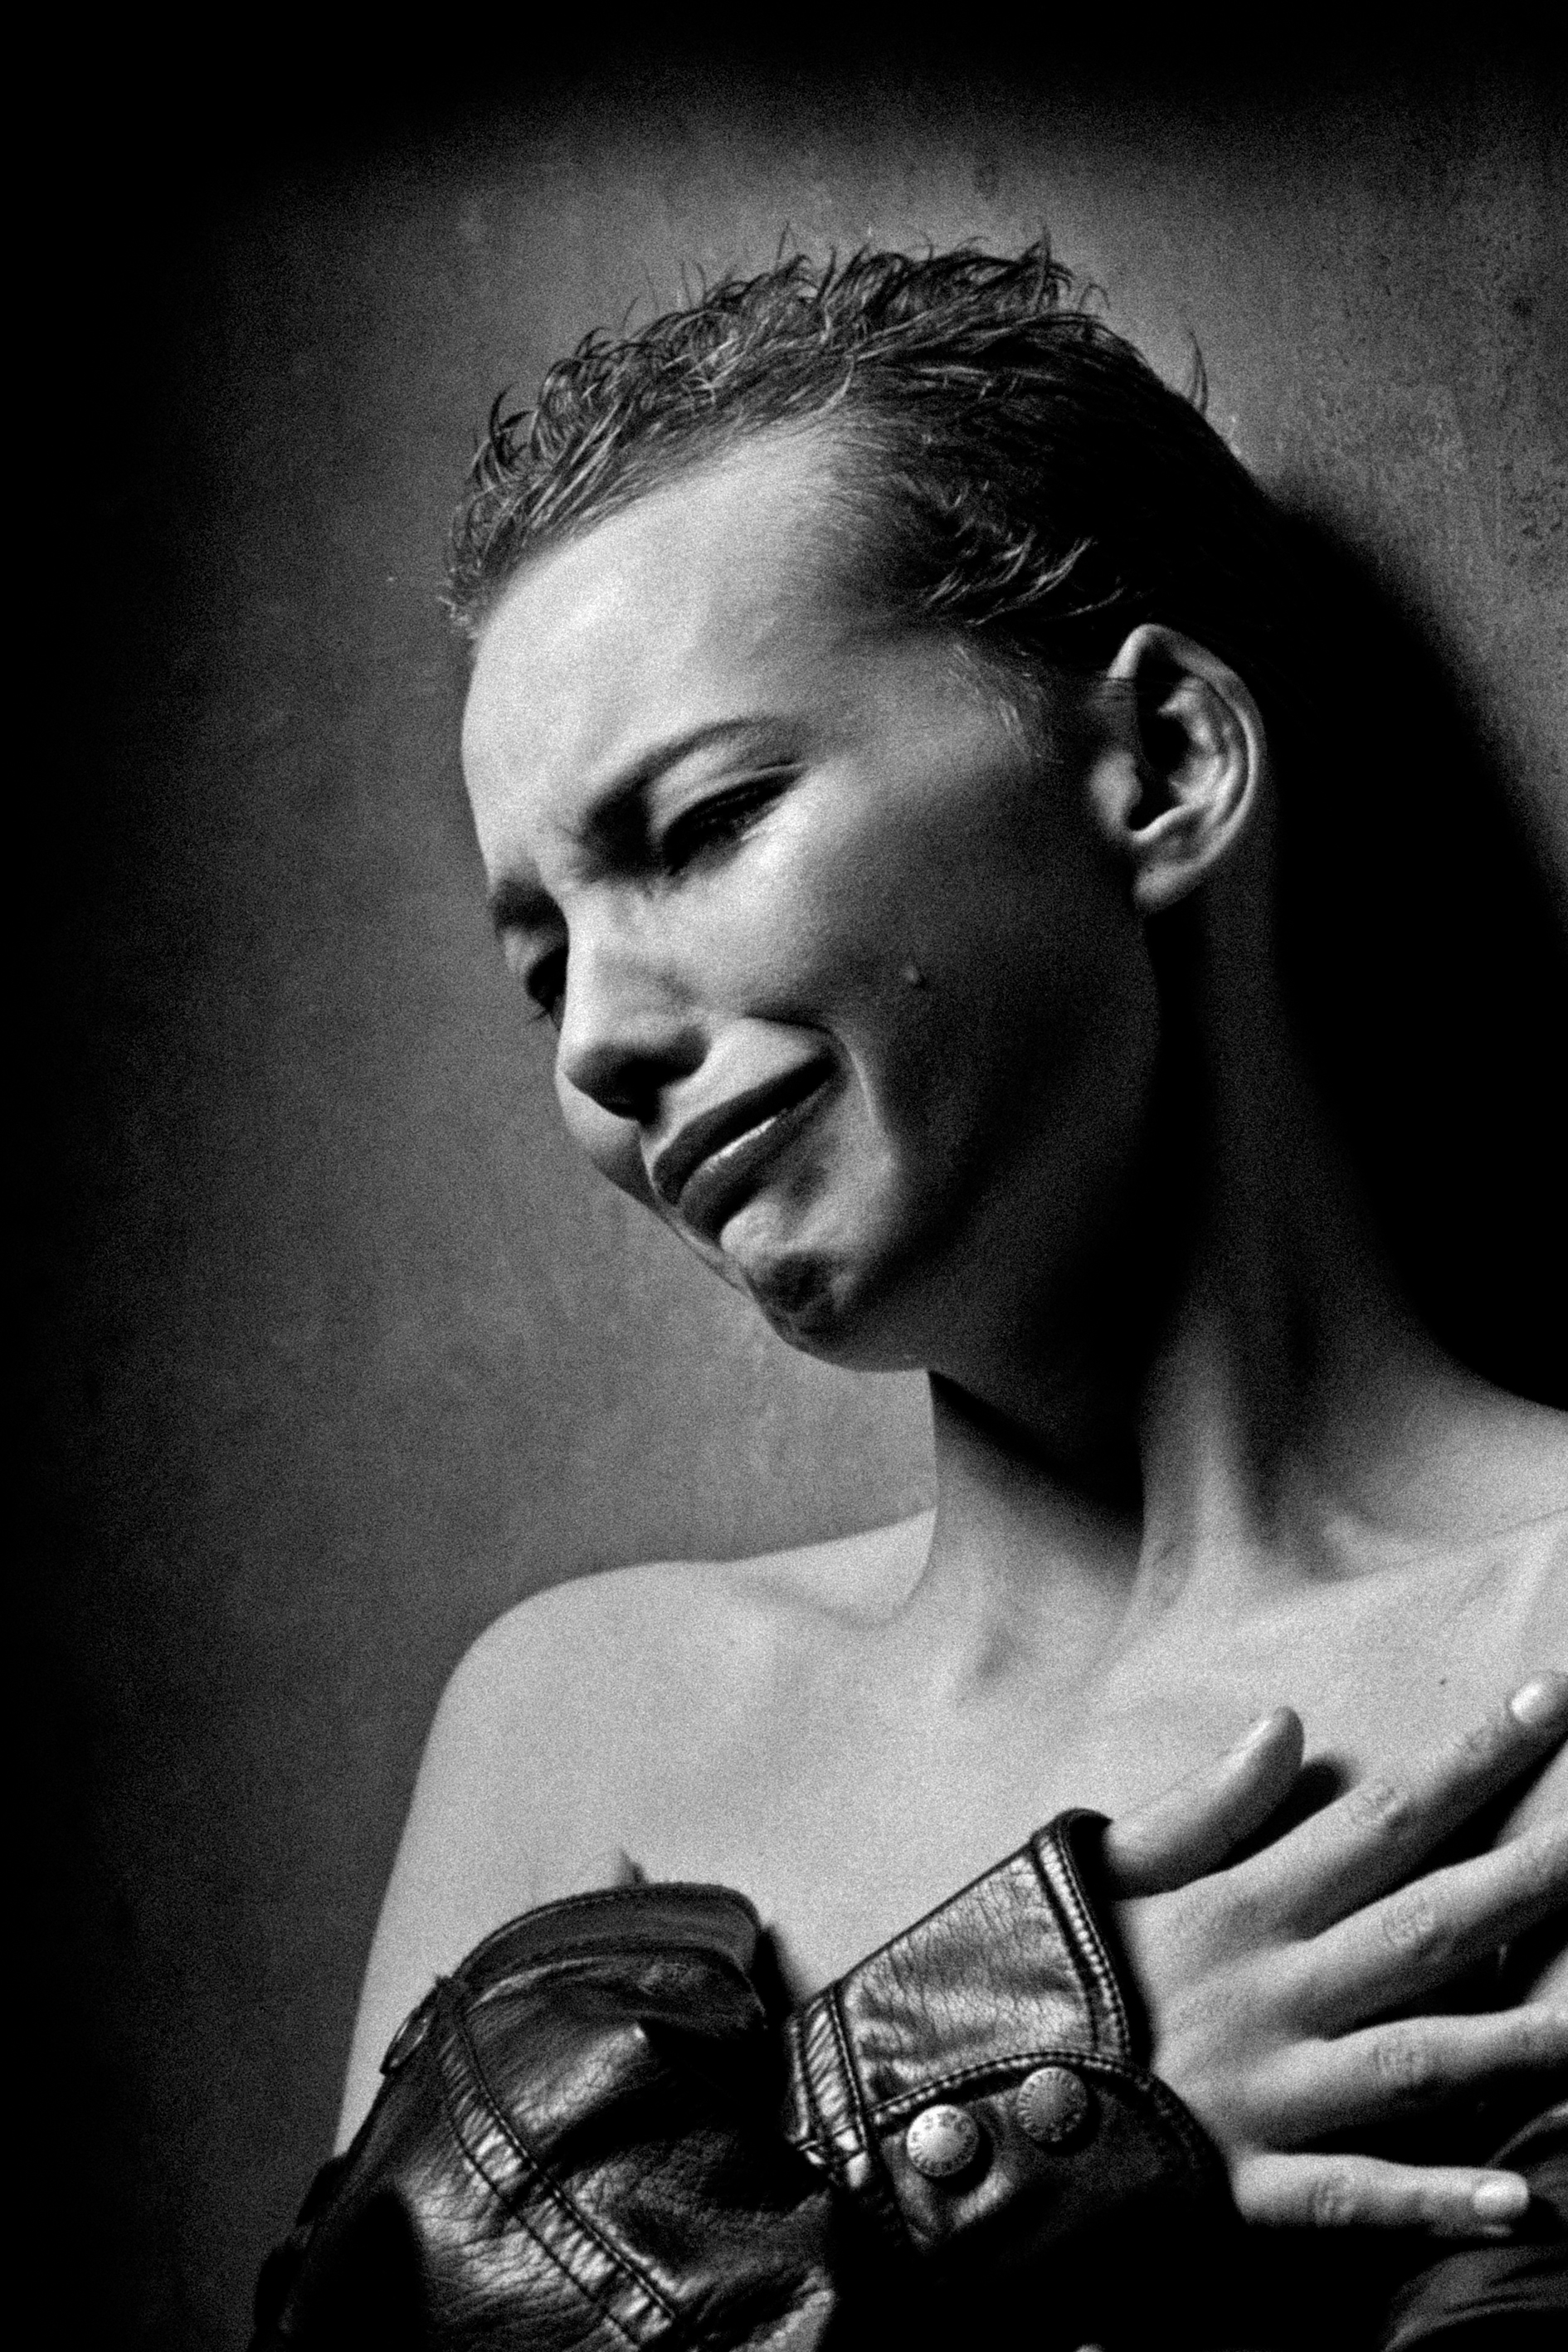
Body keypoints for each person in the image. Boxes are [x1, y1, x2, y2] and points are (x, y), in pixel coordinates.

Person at [254, 246, 1566, 2348]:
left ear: (1161, 762)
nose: (595, 1044)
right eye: (541, 962)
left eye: (703, 823)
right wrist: (970, 2120)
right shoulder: (583, 1728)